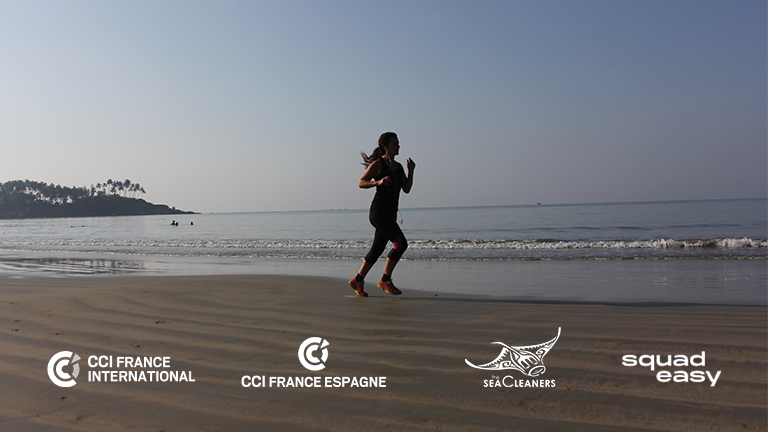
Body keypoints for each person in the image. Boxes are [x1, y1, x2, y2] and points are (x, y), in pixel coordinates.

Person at [349, 132, 415, 297]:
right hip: (378, 213)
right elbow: (361, 182)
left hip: (390, 215)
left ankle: (357, 280)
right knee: (401, 244)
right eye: (395, 143)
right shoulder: (378, 164)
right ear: (385, 146)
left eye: (398, 143)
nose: (398, 146)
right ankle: (385, 280)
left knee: (377, 248)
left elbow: (406, 189)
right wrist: (377, 182)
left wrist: (411, 171)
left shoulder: (399, 167)